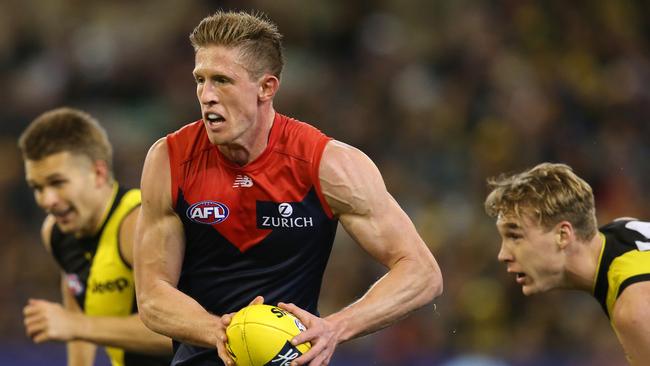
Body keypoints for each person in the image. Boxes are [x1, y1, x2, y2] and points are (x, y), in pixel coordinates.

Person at [134, 10, 443, 366]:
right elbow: (153, 297)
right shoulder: (169, 160)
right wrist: (221, 330)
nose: (206, 95)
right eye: (199, 79)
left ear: (266, 87)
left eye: (222, 80)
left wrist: (335, 327)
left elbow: (421, 273)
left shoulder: (326, 163)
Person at [18, 107, 172, 366]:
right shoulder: (55, 233)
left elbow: (181, 333)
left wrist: (78, 325)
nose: (47, 200)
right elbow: (77, 302)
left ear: (98, 174)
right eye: (37, 187)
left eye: (57, 183)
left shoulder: (137, 225)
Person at [484, 162, 650, 365]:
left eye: (515, 237)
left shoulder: (635, 308)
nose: (503, 254)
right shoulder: (625, 230)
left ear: (563, 235)